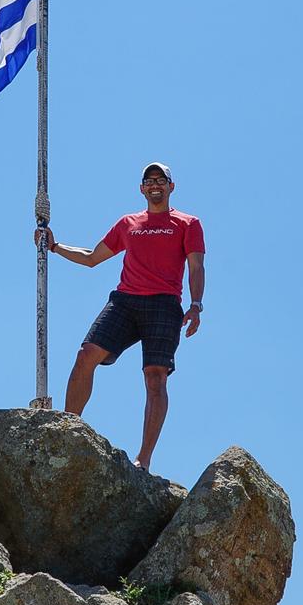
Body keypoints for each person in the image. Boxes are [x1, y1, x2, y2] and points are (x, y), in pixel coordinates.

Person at [35, 163, 205, 472]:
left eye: (160, 180)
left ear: (171, 186)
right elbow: (91, 258)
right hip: (125, 301)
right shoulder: (128, 223)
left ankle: (144, 459)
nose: (155, 185)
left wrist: (196, 304)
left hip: (164, 304)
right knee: (86, 354)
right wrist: (55, 245)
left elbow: (196, 266)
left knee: (156, 377)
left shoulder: (188, 223)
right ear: (142, 188)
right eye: (149, 181)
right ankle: (67, 429)